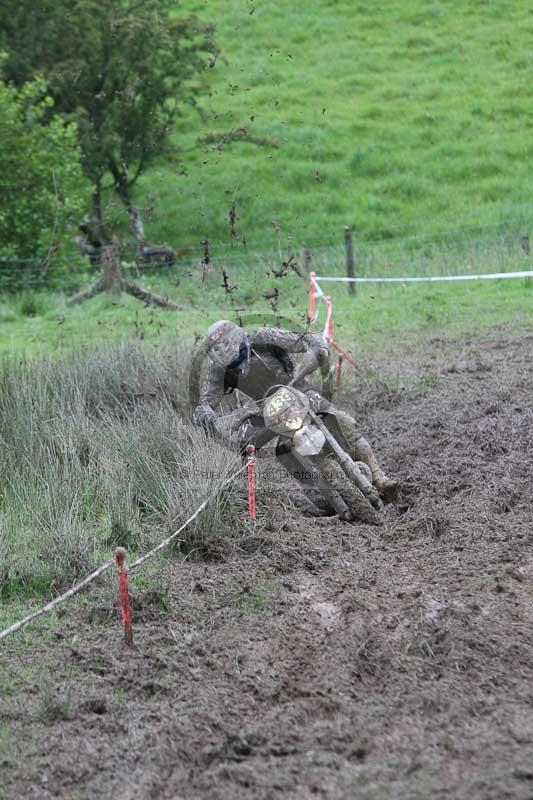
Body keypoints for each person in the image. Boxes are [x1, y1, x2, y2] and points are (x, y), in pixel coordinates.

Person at [192, 320, 398, 501]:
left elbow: (307, 339)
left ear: (237, 337)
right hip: (265, 409)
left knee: (340, 420)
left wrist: (315, 353)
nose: (223, 351)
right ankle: (316, 495)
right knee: (262, 448)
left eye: (226, 344)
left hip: (298, 389)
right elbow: (204, 404)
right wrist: (211, 418)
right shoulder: (217, 371)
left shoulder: (263, 338)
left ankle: (380, 477)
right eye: (217, 350)